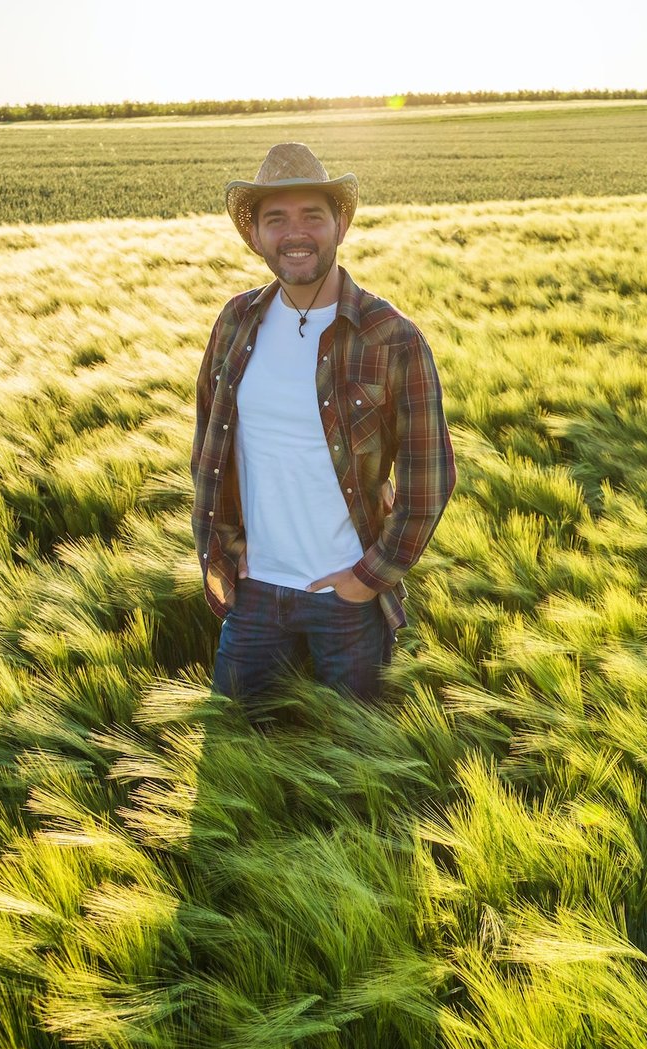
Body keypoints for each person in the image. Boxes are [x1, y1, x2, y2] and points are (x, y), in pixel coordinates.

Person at [191, 142, 457, 703]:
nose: (296, 233)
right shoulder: (236, 322)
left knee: (359, 772)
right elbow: (208, 446)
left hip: (347, 601)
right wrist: (229, 547)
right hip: (255, 592)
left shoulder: (391, 336)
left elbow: (429, 480)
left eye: (312, 215)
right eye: (276, 219)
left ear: (339, 224)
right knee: (233, 763)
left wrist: (367, 579)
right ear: (257, 236)